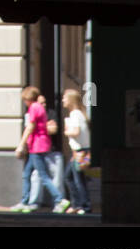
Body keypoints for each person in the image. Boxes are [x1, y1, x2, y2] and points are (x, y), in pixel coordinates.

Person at [10, 85, 69, 213]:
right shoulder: (39, 107)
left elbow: (30, 127)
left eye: (25, 100)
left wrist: (21, 144)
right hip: (37, 146)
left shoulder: (34, 108)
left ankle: (59, 199)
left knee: (43, 176)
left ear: (28, 98)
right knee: (27, 174)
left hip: (37, 146)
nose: (24, 102)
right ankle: (24, 201)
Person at [62, 88, 92, 214]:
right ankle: (77, 204)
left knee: (77, 179)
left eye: (64, 97)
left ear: (70, 100)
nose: (62, 100)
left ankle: (84, 206)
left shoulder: (75, 114)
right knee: (68, 176)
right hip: (79, 151)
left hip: (80, 152)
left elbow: (76, 132)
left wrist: (66, 131)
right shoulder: (79, 114)